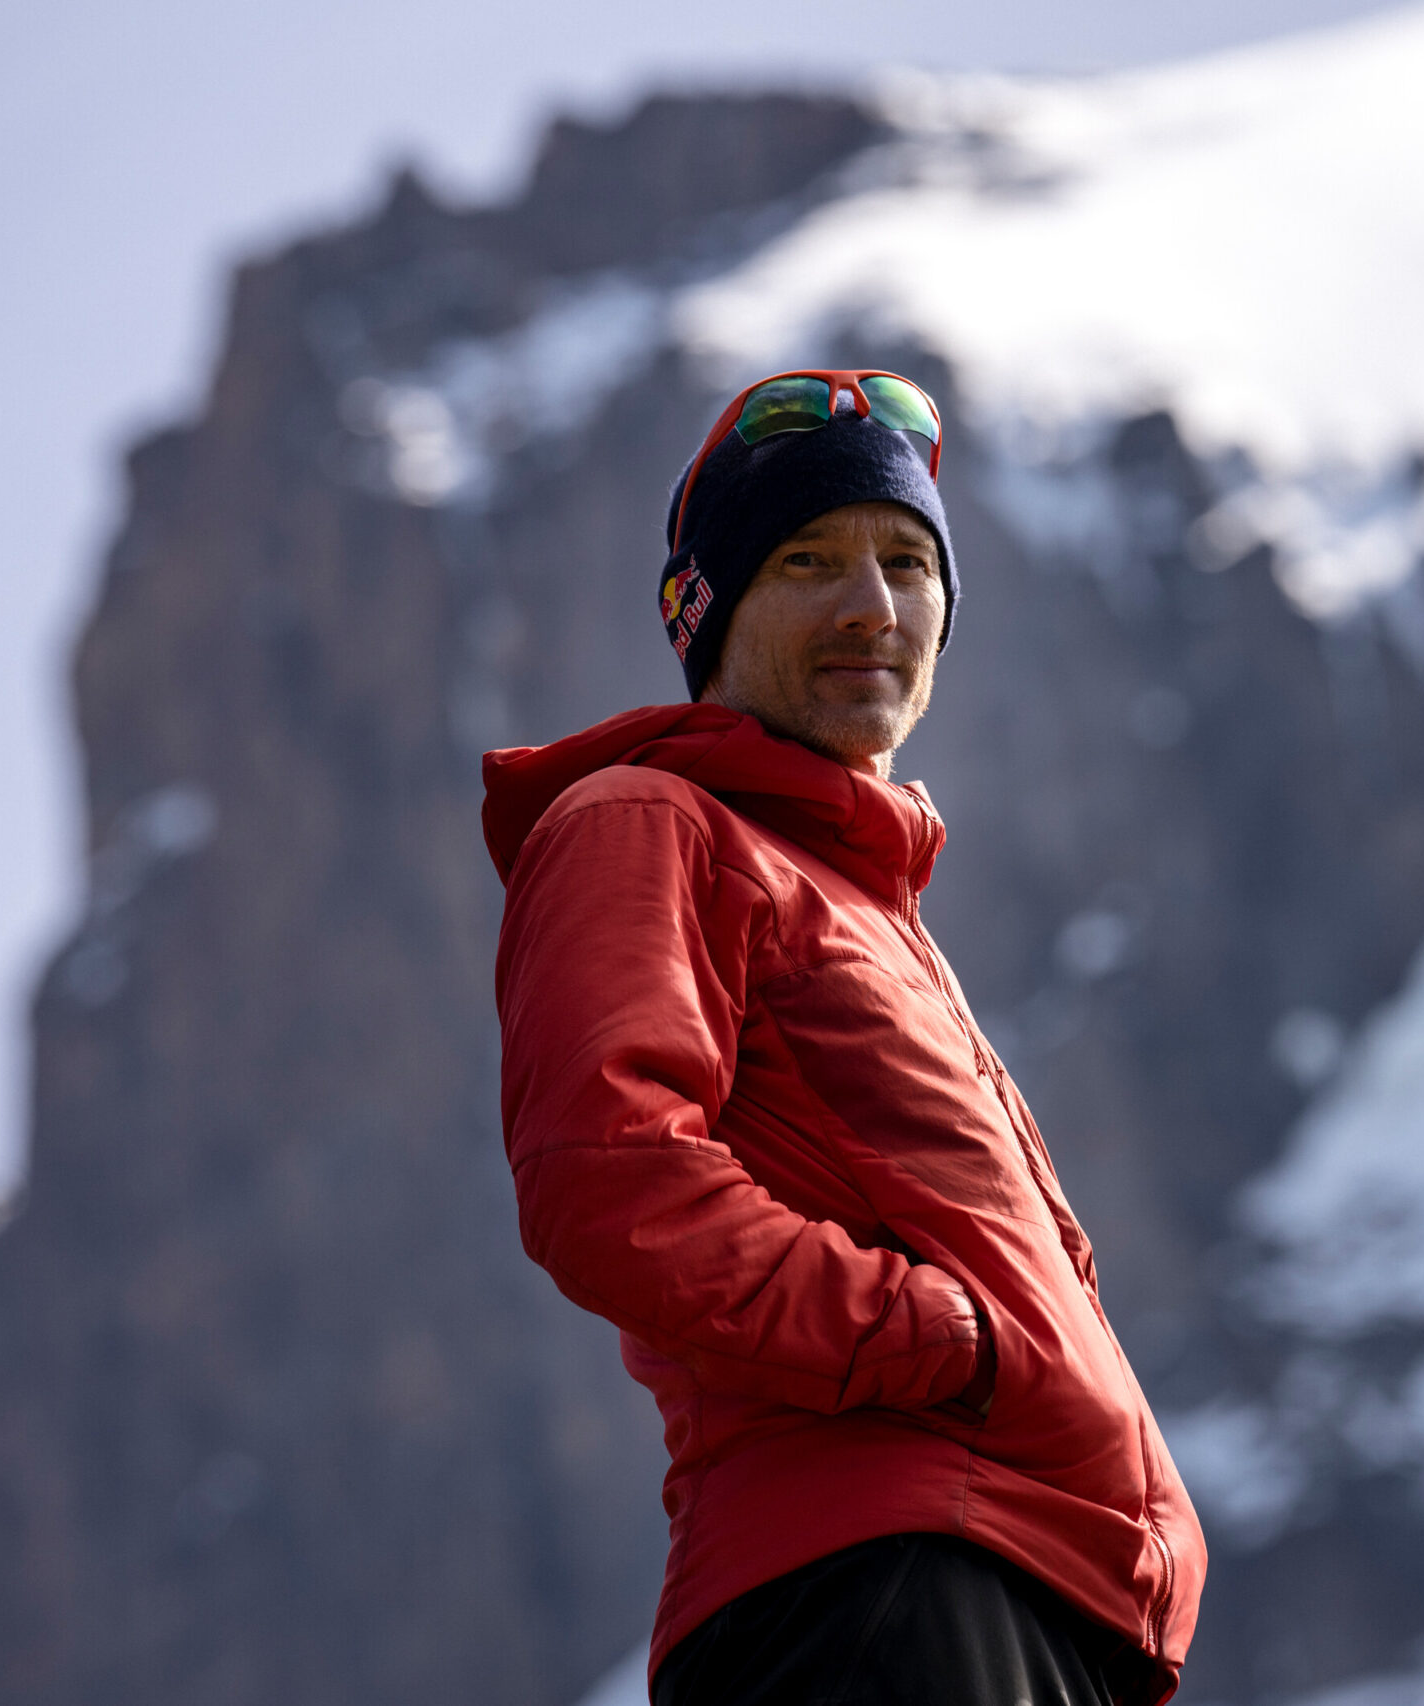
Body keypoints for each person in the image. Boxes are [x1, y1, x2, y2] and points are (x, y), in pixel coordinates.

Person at [480, 371, 1205, 1705]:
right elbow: (608, 1171)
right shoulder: (650, 822)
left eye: (908, 564)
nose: (872, 605)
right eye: (809, 560)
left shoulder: (869, 906)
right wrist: (935, 1335)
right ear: (710, 616)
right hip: (881, 1585)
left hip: (1017, 1586)